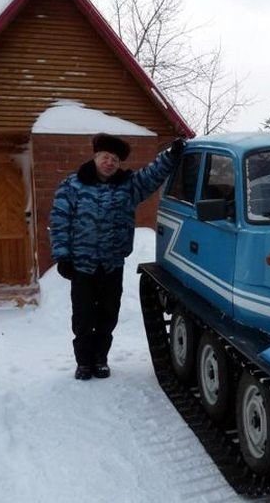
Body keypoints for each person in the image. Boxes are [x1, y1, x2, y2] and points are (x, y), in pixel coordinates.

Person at [50, 133, 184, 380]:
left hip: (112, 265)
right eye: (105, 157)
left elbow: (152, 174)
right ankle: (84, 363)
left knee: (107, 316)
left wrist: (172, 155)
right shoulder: (72, 185)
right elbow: (59, 221)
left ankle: (100, 359)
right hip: (82, 266)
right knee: (83, 318)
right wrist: (63, 256)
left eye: (114, 159)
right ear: (95, 156)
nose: (109, 162)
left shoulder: (128, 186)